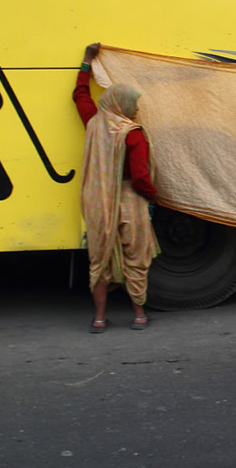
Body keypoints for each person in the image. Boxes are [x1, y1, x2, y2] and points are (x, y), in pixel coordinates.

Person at [74, 43, 160, 333]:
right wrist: (152, 197)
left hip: (99, 201)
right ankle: (139, 316)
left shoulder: (93, 123)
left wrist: (86, 62)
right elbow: (140, 178)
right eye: (133, 104)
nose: (136, 110)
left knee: (100, 260)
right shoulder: (132, 135)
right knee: (135, 258)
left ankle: (99, 319)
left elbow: (80, 96)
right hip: (129, 201)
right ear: (122, 105)